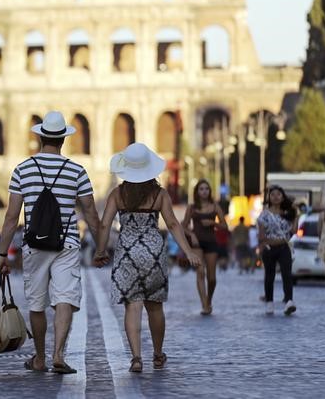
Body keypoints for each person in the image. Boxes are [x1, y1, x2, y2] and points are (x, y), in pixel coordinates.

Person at [0, 111, 101, 374]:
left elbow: (11, 217)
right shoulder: (77, 171)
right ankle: (58, 354)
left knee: (36, 303)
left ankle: (40, 357)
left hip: (34, 244)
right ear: (63, 140)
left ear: (41, 137)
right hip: (66, 243)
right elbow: (90, 211)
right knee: (65, 297)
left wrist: (2, 254)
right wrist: (101, 246)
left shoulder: (22, 169)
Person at [95, 142, 200, 372]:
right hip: (153, 252)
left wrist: (100, 251)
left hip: (127, 253)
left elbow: (104, 225)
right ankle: (158, 354)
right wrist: (188, 250)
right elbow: (172, 224)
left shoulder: (117, 194)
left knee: (132, 306)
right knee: (155, 307)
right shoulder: (159, 194)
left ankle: (136, 358)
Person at [181, 179, 227, 315]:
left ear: (210, 191)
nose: (204, 191)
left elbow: (225, 226)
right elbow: (183, 226)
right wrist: (192, 235)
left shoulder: (215, 206)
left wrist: (213, 223)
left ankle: (209, 299)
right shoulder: (192, 207)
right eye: (201, 189)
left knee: (212, 278)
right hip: (197, 244)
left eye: (206, 189)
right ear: (197, 191)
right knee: (200, 273)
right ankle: (204, 305)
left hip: (211, 243)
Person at [257, 185, 297, 315]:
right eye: (272, 194)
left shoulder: (288, 213)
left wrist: (295, 214)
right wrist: (275, 241)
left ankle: (289, 301)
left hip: (284, 248)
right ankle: (269, 302)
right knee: (270, 275)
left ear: (282, 197)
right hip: (269, 249)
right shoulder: (264, 214)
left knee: (287, 274)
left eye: (278, 194)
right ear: (269, 197)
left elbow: (293, 231)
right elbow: (262, 236)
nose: (275, 197)